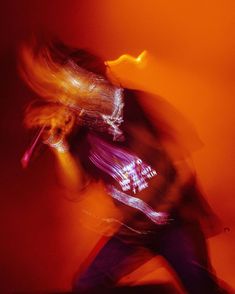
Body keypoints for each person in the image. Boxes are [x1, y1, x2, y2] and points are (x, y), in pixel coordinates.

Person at [20, 41, 227, 294]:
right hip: (133, 229)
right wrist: (59, 146)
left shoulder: (129, 102)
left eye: (66, 82)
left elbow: (179, 153)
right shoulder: (79, 133)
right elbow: (76, 188)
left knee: (201, 288)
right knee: (86, 286)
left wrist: (170, 201)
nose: (63, 93)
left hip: (174, 218)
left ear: (86, 75)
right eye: (57, 88)